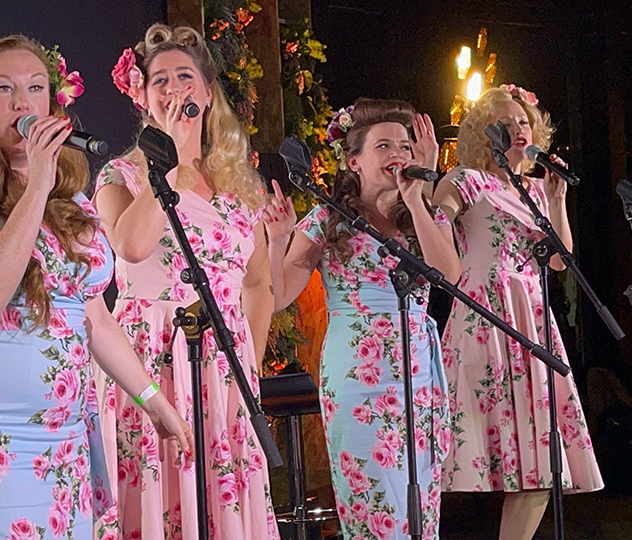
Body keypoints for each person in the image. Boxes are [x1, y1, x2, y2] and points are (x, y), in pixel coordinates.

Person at [0, 35, 192, 540]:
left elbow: (94, 318)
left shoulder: (73, 201)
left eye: (36, 88)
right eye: (4, 89)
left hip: (63, 435)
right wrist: (36, 183)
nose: (23, 103)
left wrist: (152, 399)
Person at [94, 23, 278, 540]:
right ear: (143, 97)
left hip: (225, 366)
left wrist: (248, 363)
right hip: (150, 358)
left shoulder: (241, 185)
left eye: (185, 76)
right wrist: (169, 163)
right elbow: (131, 246)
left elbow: (259, 283)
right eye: (160, 81)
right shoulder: (120, 177)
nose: (175, 89)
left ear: (208, 91)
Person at [265, 98, 461, 539]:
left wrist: (417, 199)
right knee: (376, 508)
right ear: (354, 161)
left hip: (419, 374)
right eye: (384, 145)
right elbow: (278, 296)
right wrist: (278, 241)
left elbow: (449, 277)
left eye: (406, 146)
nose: (398, 154)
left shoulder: (426, 217)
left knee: (420, 508)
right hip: (359, 376)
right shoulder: (328, 220)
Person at [431, 85, 603, 540]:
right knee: (463, 451)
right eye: (505, 124)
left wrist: (558, 198)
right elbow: (437, 219)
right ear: (484, 133)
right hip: (484, 310)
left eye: (523, 121)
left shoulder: (535, 191)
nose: (518, 130)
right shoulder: (466, 178)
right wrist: (436, 210)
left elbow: (561, 259)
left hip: (531, 313)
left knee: (541, 462)